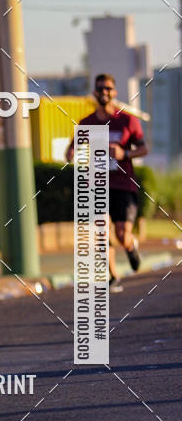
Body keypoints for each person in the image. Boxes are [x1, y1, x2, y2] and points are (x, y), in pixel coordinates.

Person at [66, 73, 148, 292]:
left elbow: (144, 148)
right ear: (95, 92)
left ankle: (130, 246)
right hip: (99, 185)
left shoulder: (127, 120)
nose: (105, 92)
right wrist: (72, 151)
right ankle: (113, 276)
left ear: (115, 92)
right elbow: (71, 148)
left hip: (124, 185)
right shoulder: (87, 123)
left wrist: (124, 153)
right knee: (101, 232)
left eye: (108, 89)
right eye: (100, 88)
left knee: (122, 234)